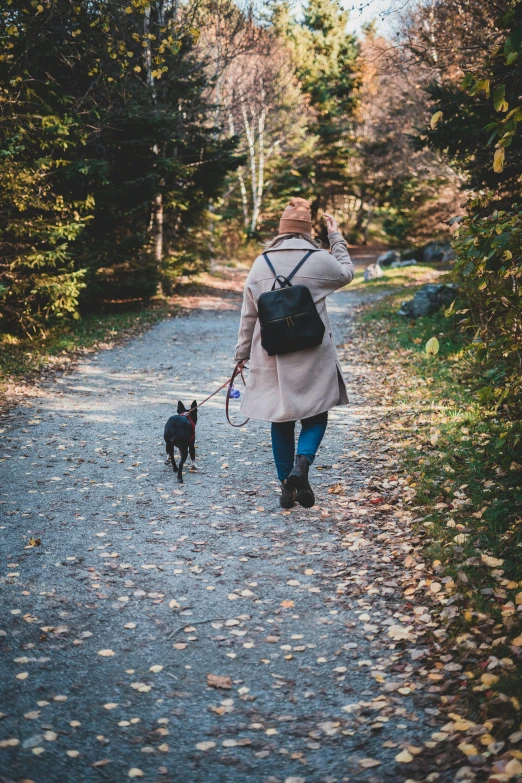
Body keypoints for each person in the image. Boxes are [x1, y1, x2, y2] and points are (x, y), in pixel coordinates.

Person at [234, 197, 354, 509]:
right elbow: (346, 273)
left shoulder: (261, 262)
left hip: (273, 355)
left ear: (281, 230)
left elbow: (249, 313)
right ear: (308, 230)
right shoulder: (317, 258)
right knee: (316, 412)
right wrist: (335, 237)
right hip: (313, 352)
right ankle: (302, 465)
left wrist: (241, 353)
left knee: (281, 418)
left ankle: (287, 485)